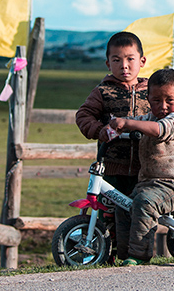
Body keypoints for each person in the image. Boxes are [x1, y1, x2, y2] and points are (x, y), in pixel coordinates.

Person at [74, 31, 149, 262]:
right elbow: (84, 115)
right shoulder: (103, 92)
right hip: (111, 169)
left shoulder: (152, 92)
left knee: (140, 217)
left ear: (142, 61)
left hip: (144, 168)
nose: (124, 66)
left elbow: (168, 117)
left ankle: (136, 258)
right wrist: (100, 130)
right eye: (116, 60)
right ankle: (103, 259)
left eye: (130, 59)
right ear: (108, 63)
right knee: (108, 217)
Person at [109, 69, 174, 266]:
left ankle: (140, 254)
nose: (162, 106)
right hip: (149, 184)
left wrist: (128, 123)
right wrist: (113, 127)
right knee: (123, 204)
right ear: (148, 99)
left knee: (145, 204)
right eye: (156, 101)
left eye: (169, 101)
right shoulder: (150, 118)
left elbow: (160, 131)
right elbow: (139, 123)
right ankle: (125, 253)